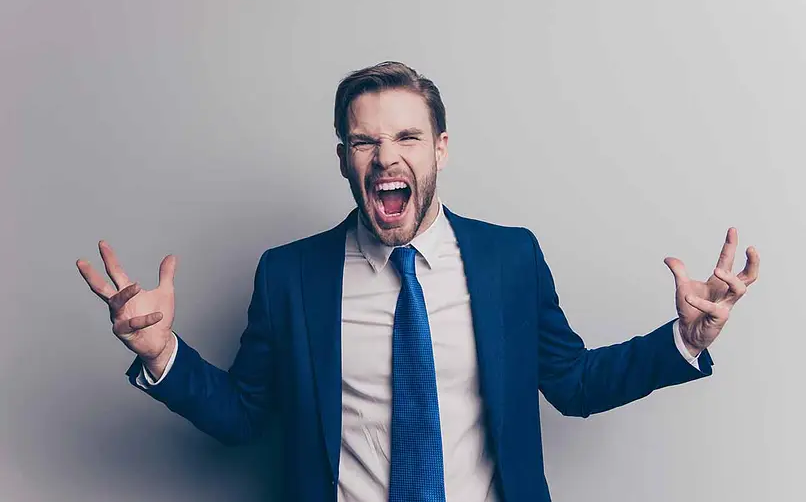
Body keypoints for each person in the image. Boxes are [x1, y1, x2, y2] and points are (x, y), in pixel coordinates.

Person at [76, 61, 760, 502]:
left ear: (440, 148)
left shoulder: (508, 259)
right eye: (365, 141)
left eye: (406, 136)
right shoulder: (290, 275)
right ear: (345, 159)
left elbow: (575, 382)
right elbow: (244, 414)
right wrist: (162, 353)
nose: (385, 156)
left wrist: (683, 340)